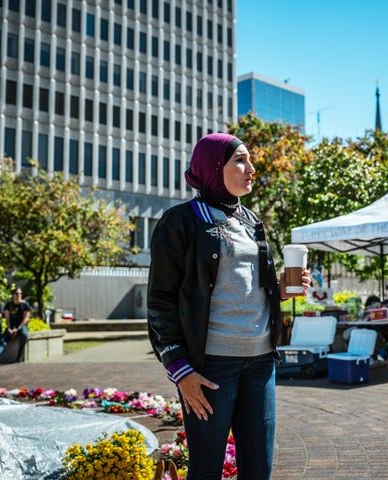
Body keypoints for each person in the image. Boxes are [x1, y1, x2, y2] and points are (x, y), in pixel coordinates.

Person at [147, 132, 310, 479]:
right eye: (240, 160)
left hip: (261, 362)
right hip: (210, 368)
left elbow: (251, 286)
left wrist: (279, 290)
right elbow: (160, 300)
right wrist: (180, 370)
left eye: (249, 160)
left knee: (258, 470)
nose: (251, 168)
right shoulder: (180, 222)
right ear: (212, 166)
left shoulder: (252, 221)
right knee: (206, 469)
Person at [0, 287, 31, 364]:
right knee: (4, 338)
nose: (19, 295)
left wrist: (18, 329)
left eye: (20, 293)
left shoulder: (25, 305)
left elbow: (26, 318)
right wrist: (9, 328)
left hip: (21, 326)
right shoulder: (8, 305)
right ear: (13, 295)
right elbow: (7, 318)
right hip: (11, 326)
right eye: (17, 294)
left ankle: (20, 354)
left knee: (24, 334)